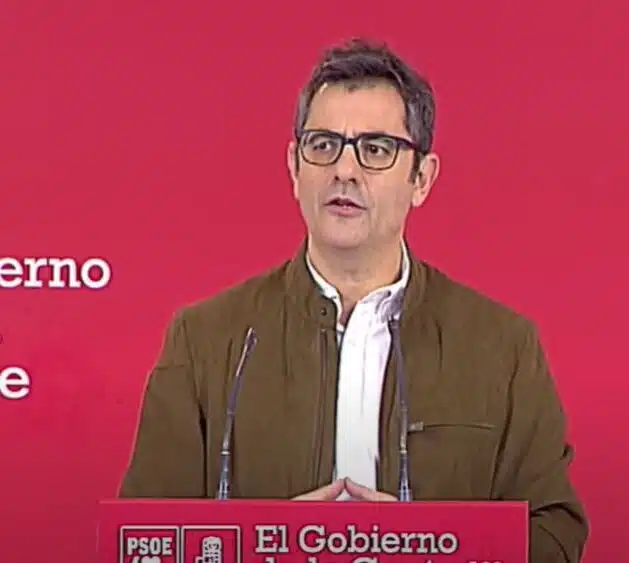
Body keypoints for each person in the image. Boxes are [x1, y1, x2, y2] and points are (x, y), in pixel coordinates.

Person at [119, 38, 589, 561]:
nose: (344, 170)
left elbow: (554, 536)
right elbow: (142, 541)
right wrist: (270, 546)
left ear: (422, 178)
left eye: (376, 149)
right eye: (323, 145)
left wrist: (425, 547)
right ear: (294, 166)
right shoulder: (205, 339)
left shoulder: (503, 346)